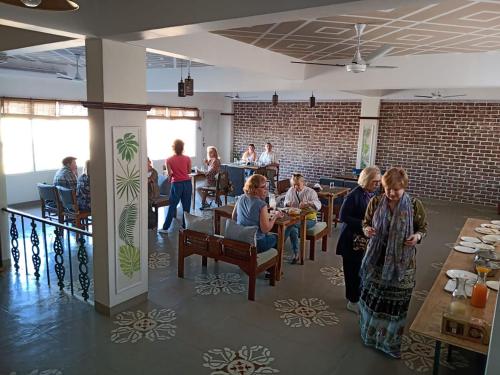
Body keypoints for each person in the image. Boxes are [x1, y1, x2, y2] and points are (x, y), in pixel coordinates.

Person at [359, 167, 428, 358]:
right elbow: (365, 223)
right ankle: (370, 335)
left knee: (396, 304)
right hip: (376, 260)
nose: (391, 193)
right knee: (374, 299)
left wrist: (417, 236)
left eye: (395, 189)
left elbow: (423, 228)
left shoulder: (414, 205)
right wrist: (367, 230)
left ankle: (389, 342)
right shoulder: (375, 201)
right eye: (387, 188)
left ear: (404, 187)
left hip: (402, 264)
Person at [336, 166, 381, 314]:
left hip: (362, 239)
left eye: (378, 182)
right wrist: (363, 223)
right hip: (350, 240)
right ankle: (352, 300)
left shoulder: (370, 194)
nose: (377, 185)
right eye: (375, 182)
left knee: (360, 270)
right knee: (352, 271)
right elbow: (343, 217)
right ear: (366, 180)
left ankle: (358, 296)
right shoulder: (354, 195)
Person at [232, 174, 283, 252]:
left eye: (266, 186)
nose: (266, 189)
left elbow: (234, 217)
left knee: (268, 235)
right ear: (254, 189)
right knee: (278, 237)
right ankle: (269, 261)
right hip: (256, 243)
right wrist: (275, 216)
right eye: (263, 187)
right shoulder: (261, 204)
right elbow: (265, 229)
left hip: (241, 238)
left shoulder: (241, 197)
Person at [283, 173, 321, 264]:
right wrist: (288, 203)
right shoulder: (291, 190)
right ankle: (296, 254)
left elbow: (319, 205)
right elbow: (285, 201)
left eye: (298, 185)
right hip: (296, 218)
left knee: (290, 226)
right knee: (293, 228)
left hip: (310, 219)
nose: (295, 187)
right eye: (294, 185)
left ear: (303, 183)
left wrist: (308, 203)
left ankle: (278, 245)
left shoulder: (311, 192)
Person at [159, 139, 192, 234]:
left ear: (173, 148)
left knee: (172, 206)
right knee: (186, 206)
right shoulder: (187, 158)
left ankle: (165, 228)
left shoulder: (169, 159)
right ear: (182, 148)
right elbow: (189, 171)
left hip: (176, 184)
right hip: (187, 183)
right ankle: (185, 227)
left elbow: (170, 174)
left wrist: (170, 178)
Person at [147, 157, 160, 229]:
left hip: (153, 193)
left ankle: (151, 224)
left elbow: (148, 180)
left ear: (149, 162)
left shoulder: (154, 172)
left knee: (147, 203)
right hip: (146, 193)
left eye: (147, 161)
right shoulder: (142, 171)